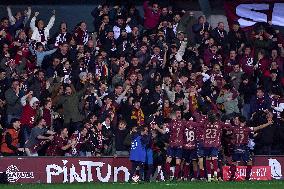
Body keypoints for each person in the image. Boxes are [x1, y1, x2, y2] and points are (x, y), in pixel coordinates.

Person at [229, 115, 273, 180]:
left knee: (234, 162)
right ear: (244, 121)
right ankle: (247, 177)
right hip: (243, 147)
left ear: (239, 121)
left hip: (236, 147)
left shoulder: (234, 128)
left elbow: (228, 130)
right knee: (249, 162)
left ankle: (232, 177)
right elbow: (259, 127)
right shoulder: (247, 129)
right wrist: (268, 123)